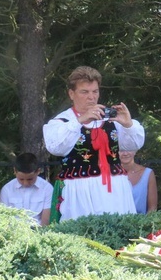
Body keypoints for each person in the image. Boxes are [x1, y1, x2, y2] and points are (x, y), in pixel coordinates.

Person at [43, 66, 144, 220]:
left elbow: (133, 145)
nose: (91, 97)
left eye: (95, 91)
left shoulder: (112, 119)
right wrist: (79, 121)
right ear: (72, 94)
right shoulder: (62, 121)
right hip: (79, 193)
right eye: (84, 92)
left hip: (115, 191)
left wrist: (128, 125)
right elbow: (56, 147)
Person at [0, 153, 54, 225]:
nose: (25, 183)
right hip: (14, 232)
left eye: (30, 179)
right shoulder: (7, 189)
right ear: (15, 171)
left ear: (38, 171)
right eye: (21, 179)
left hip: (39, 231)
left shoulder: (47, 188)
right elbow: (3, 217)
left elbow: (46, 219)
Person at [119, 149, 158, 214]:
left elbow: (152, 208)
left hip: (142, 222)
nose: (125, 153)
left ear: (134, 151)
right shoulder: (111, 175)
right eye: (122, 150)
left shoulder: (148, 173)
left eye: (129, 149)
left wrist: (145, 223)